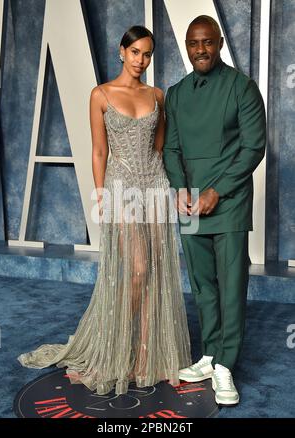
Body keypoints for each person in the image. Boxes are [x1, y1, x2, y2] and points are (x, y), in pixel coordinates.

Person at [17, 25, 192, 396]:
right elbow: (99, 152)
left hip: (154, 186)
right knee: (138, 269)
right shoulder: (100, 95)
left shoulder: (157, 95)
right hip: (120, 188)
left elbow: (159, 147)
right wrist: (101, 197)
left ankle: (145, 357)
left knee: (157, 272)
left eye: (147, 54)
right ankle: (113, 349)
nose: (141, 60)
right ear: (121, 51)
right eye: (135, 53)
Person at [163, 15, 266, 406]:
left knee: (231, 285)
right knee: (203, 286)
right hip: (189, 202)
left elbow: (253, 147)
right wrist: (180, 190)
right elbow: (171, 149)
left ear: (219, 42)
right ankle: (209, 354)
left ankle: (226, 365)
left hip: (230, 202)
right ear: (187, 47)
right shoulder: (176, 93)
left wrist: (216, 191)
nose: (200, 50)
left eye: (207, 42)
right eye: (193, 43)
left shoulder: (242, 87)